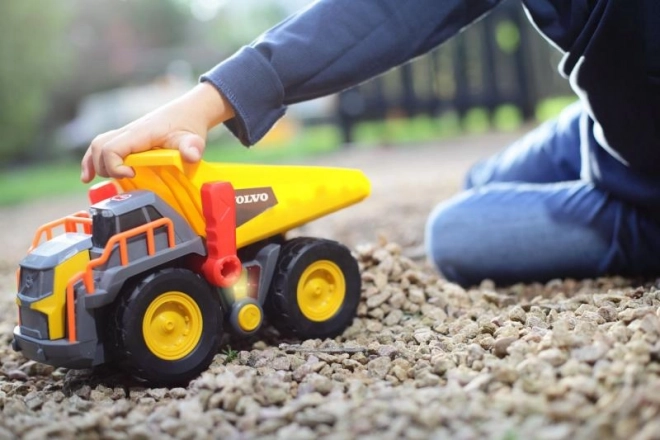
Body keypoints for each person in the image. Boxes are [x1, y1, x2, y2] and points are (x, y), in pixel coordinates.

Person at [80, 0, 660, 287]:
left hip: (647, 186)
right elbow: (390, 10)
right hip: (607, 126)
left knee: (453, 233)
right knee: (482, 180)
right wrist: (204, 103)